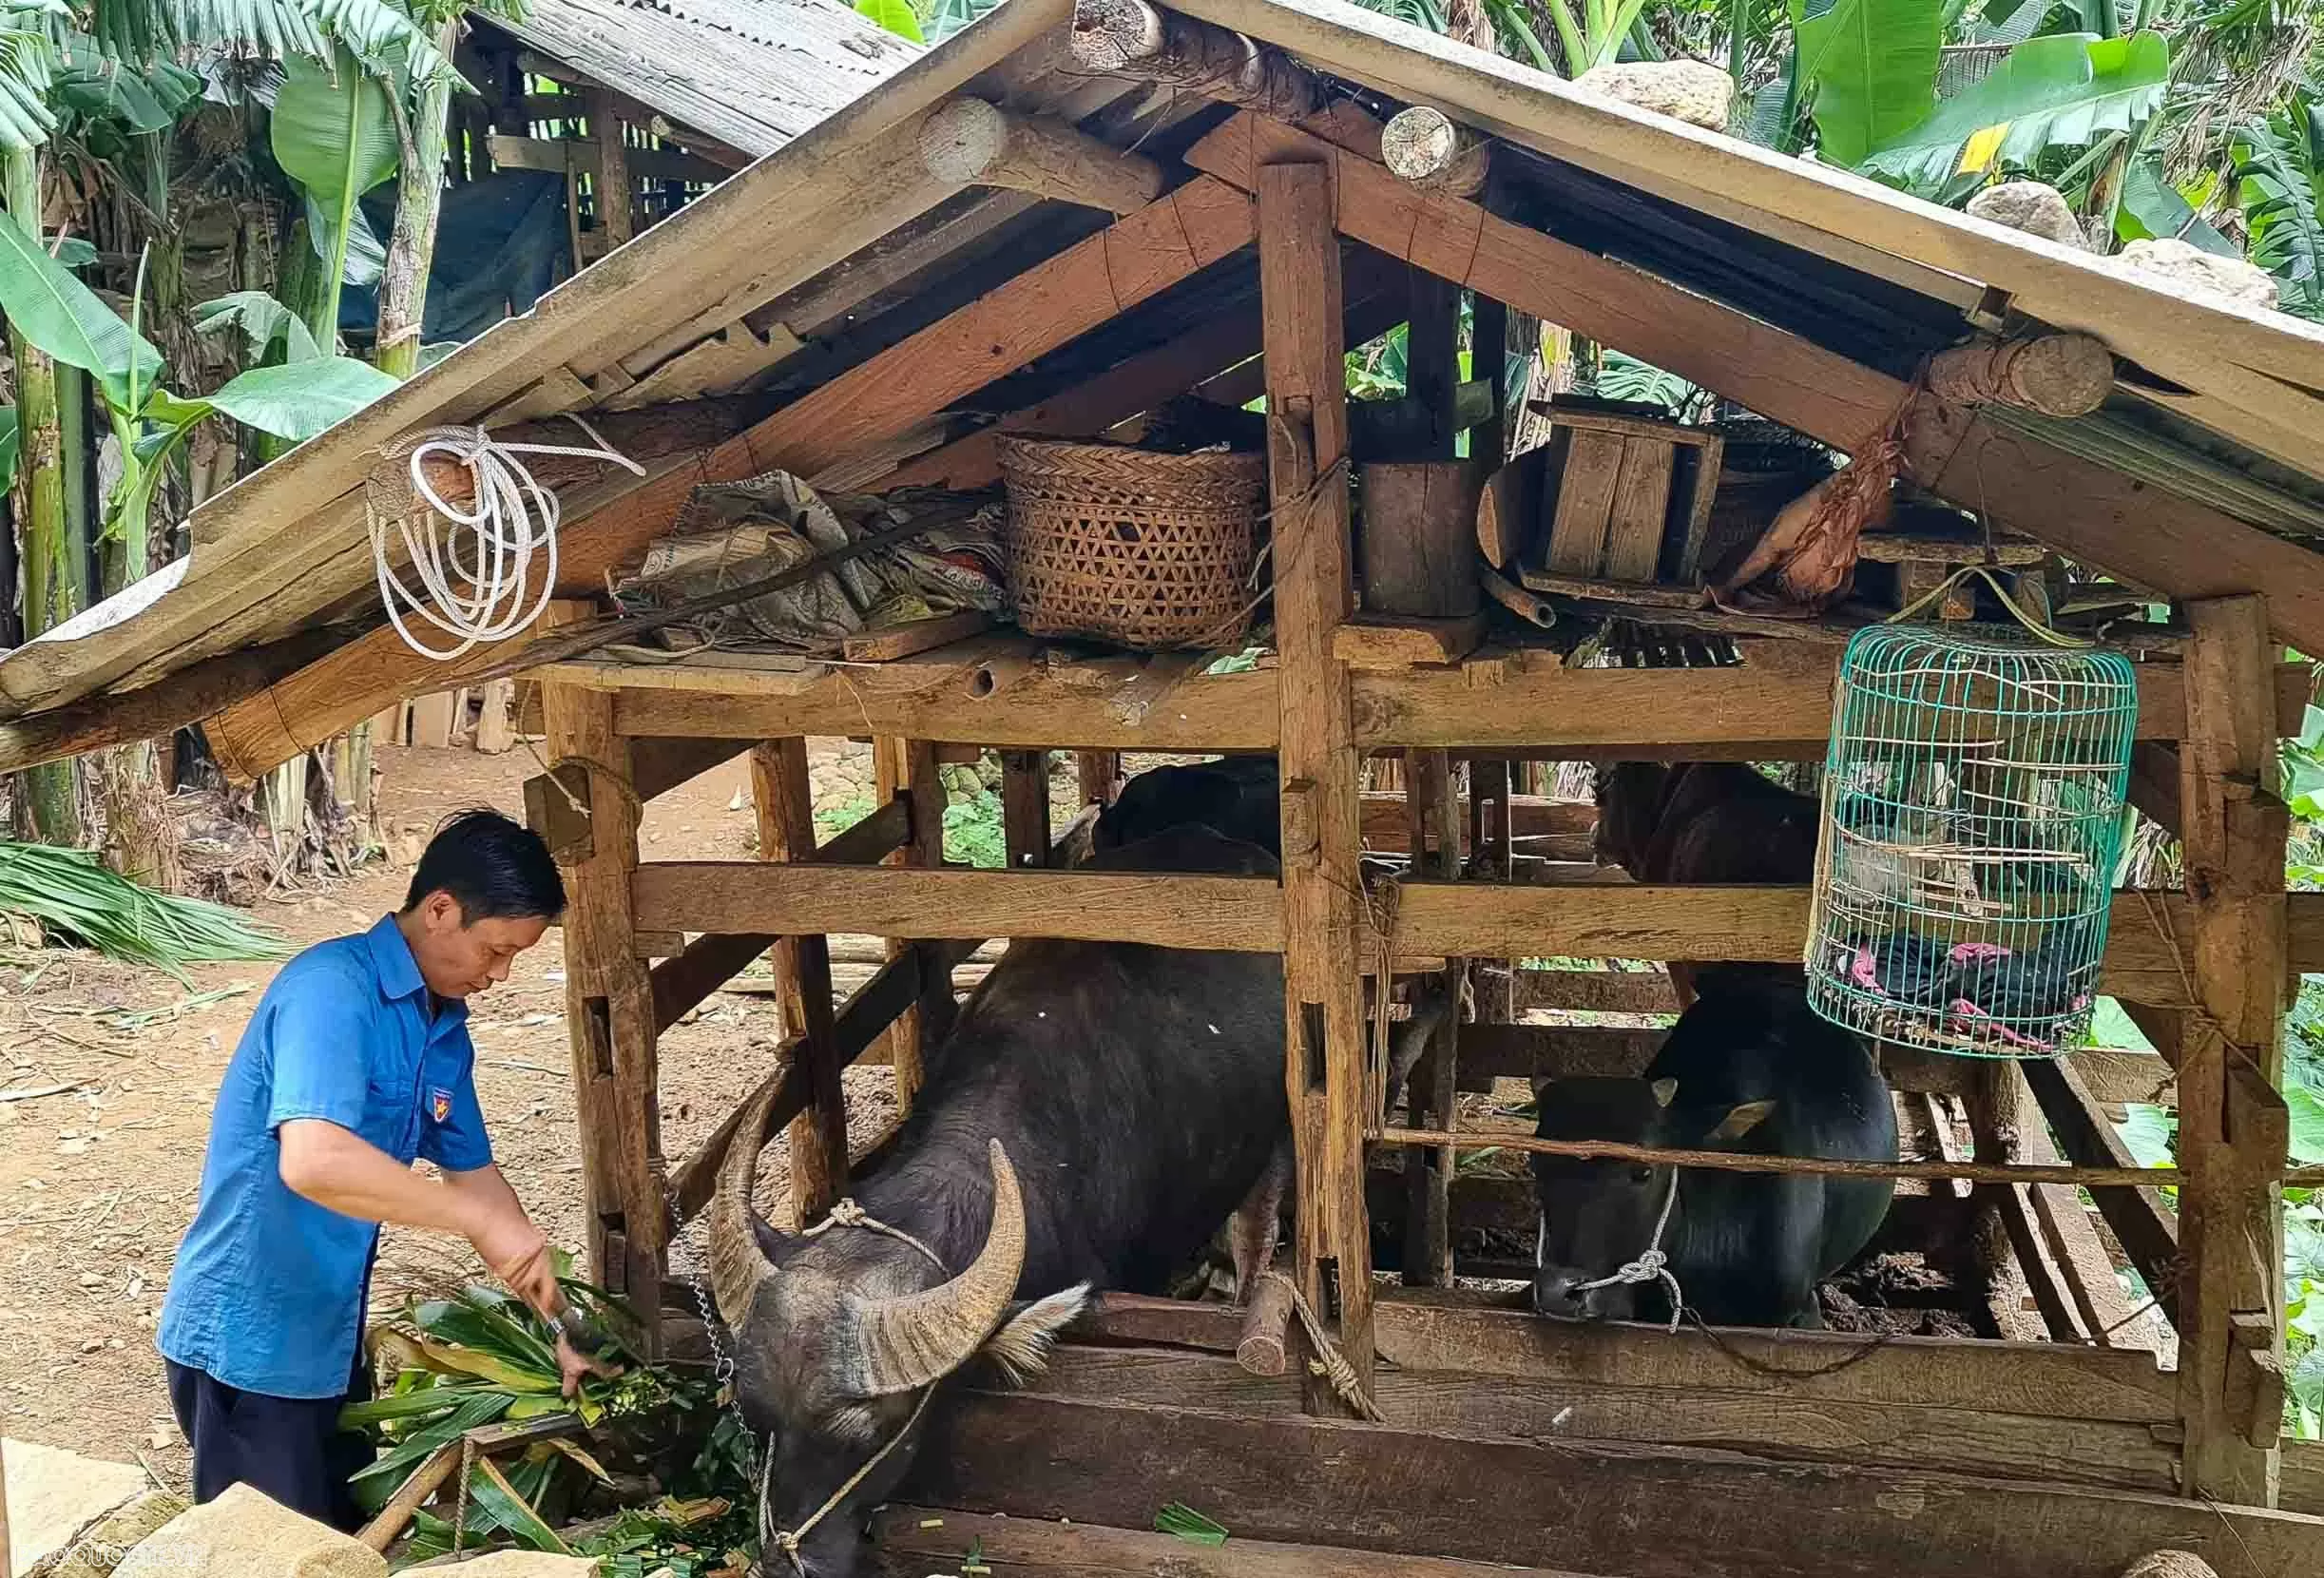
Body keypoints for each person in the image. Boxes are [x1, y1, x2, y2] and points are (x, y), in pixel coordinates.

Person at [157, 808, 613, 1530]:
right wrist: (467, 1216)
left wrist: (562, 1322)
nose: (499, 975)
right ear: (440, 910)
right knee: (265, 1553)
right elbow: (314, 1160)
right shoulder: (330, 990)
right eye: (495, 951)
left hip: (329, 1333)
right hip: (251, 1344)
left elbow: (476, 1177)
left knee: (344, 1538)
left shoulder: (441, 1025)